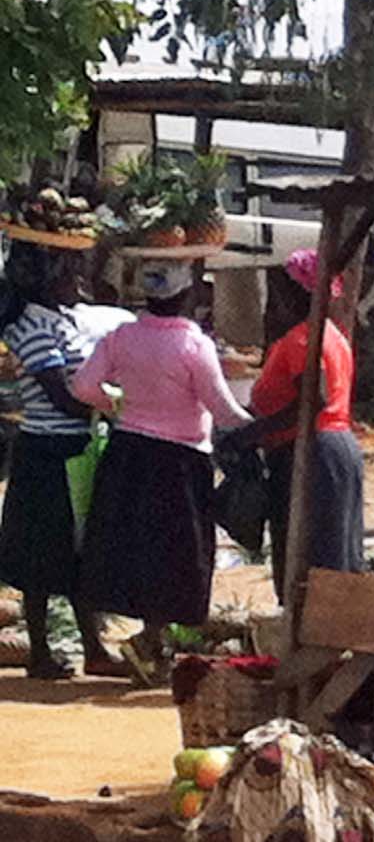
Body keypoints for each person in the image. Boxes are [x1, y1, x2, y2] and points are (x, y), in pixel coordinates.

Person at [73, 261, 252, 646]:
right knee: (173, 552)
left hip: (128, 455)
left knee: (133, 545)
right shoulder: (194, 345)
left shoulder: (122, 337)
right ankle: (154, 637)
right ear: (187, 296)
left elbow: (84, 385)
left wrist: (114, 405)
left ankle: (148, 636)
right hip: (179, 463)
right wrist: (258, 426)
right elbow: (222, 409)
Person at [0, 248, 115, 676]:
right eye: (68, 273)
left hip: (75, 447)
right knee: (42, 554)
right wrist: (112, 413)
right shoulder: (31, 326)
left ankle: (93, 649)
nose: (78, 281)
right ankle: (40, 652)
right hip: (47, 453)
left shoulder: (62, 320)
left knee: (81, 550)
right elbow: (60, 397)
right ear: (46, 282)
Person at [236, 248, 364, 603]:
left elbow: (316, 398)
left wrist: (253, 433)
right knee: (334, 548)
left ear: (294, 292)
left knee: (309, 552)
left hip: (311, 453)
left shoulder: (304, 340)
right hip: (333, 448)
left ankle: (310, 626)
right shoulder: (332, 335)